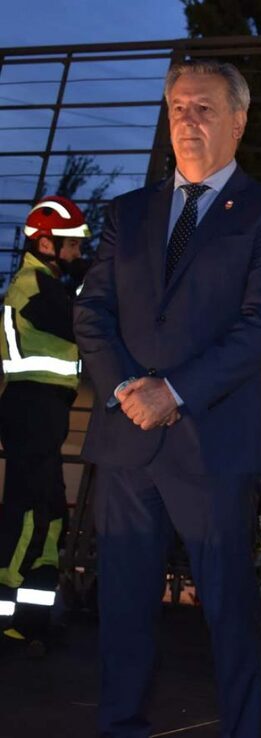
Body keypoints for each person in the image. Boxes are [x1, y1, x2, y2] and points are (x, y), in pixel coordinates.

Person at [73, 59, 261, 738]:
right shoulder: (128, 213)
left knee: (228, 607)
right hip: (127, 443)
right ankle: (120, 727)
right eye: (176, 108)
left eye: (203, 108)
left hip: (214, 446)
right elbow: (93, 314)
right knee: (122, 607)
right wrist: (127, 389)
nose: (187, 121)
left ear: (238, 118)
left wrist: (175, 391)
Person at [0, 196, 89, 650]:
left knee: (49, 513)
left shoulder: (47, 283)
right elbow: (82, 322)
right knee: (31, 514)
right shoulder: (34, 287)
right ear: (47, 244)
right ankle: (9, 617)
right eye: (72, 245)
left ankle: (31, 619)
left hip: (42, 410)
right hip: (32, 408)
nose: (76, 254)